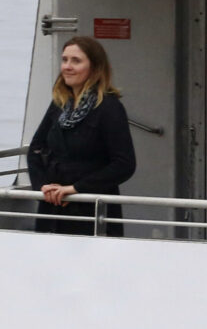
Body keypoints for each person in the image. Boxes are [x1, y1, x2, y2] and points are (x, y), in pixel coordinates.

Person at [27, 35, 137, 236]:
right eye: (65, 60)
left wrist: (76, 188)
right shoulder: (59, 104)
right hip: (52, 210)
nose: (67, 66)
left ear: (94, 68)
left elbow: (124, 164)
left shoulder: (109, 108)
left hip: (93, 212)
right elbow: (35, 149)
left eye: (76, 61)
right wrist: (42, 187)